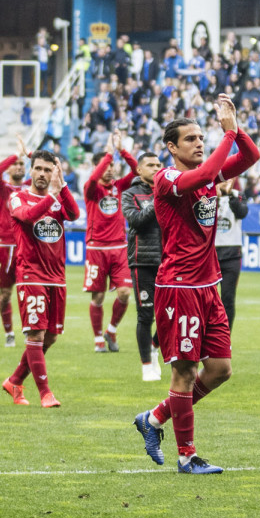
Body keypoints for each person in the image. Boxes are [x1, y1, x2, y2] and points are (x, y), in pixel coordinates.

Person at [133, 93, 259, 474]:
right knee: (185, 371)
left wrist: (236, 131)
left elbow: (250, 158)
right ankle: (187, 455)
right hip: (180, 287)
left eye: (202, 138)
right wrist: (228, 135)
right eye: (191, 139)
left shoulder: (208, 173)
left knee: (220, 369)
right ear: (171, 147)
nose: (200, 143)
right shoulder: (167, 178)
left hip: (209, 285)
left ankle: (153, 419)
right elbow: (204, 175)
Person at [1, 150, 80, 407]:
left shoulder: (57, 198)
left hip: (57, 277)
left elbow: (74, 214)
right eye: (39, 169)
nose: (43, 174)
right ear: (30, 171)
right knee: (35, 335)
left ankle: (14, 381)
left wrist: (63, 187)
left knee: (51, 337)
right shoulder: (17, 197)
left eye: (48, 170)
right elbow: (28, 216)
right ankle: (45, 393)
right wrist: (52, 197)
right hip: (30, 274)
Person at [83, 131, 138, 353]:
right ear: (98, 167)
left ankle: (112, 330)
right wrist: (108, 153)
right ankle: (98, 338)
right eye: (106, 165)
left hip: (119, 248)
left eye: (112, 165)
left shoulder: (120, 187)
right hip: (96, 248)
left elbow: (137, 170)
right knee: (98, 296)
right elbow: (93, 177)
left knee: (125, 293)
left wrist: (121, 150)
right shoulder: (91, 188)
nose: (110, 168)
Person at [121, 151, 163, 381]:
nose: (156, 168)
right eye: (150, 165)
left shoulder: (169, 192)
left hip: (169, 260)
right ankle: (146, 364)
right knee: (145, 315)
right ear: (139, 170)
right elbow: (136, 221)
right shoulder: (130, 194)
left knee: (171, 314)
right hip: (143, 261)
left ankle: (155, 346)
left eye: (158, 164)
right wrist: (158, 198)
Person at [0, 136, 28, 348]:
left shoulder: (31, 188)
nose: (19, 166)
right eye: (15, 164)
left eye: (22, 164)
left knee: (27, 290)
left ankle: (28, 329)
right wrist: (16, 154)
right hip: (4, 248)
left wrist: (29, 156)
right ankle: (8, 333)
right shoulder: (1, 188)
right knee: (5, 295)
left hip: (26, 247)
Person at [214, 179, 248, 330]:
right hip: (210, 256)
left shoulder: (238, 195)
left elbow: (242, 213)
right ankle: (207, 336)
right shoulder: (207, 196)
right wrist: (216, 197)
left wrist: (229, 195)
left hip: (232, 255)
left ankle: (225, 338)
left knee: (227, 299)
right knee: (207, 299)